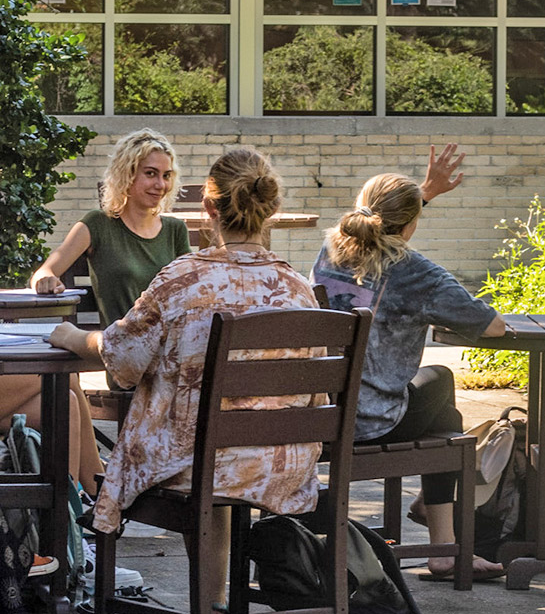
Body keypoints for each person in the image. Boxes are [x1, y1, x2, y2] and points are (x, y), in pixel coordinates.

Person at [51, 148, 322, 608]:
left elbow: (122, 357)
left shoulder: (182, 279)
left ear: (208, 210)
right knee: (219, 453)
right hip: (282, 463)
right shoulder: (297, 288)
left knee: (202, 452)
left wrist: (73, 336)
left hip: (196, 464)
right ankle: (211, 602)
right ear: (271, 210)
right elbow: (315, 394)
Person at [310, 164, 507, 581]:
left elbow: (390, 224)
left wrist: (424, 194)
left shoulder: (329, 250)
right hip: (371, 423)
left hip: (321, 414)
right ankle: (442, 543)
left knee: (447, 420)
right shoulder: (417, 272)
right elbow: (491, 325)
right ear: (413, 222)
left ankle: (441, 545)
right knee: (442, 383)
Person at [0, 129, 190, 502]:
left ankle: (95, 502)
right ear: (128, 175)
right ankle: (96, 500)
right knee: (65, 386)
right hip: (123, 354)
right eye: (150, 173)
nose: (160, 184)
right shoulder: (99, 225)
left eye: (166, 175)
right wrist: (48, 281)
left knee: (66, 388)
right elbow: (45, 271)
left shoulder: (175, 230)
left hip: (170, 355)